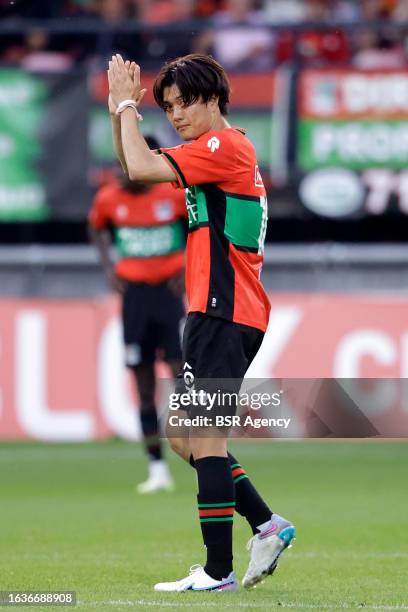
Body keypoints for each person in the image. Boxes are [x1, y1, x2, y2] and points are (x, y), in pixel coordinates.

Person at [107, 52, 295, 592]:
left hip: (225, 309)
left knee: (205, 438)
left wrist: (125, 104)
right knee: (183, 437)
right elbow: (134, 166)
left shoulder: (224, 145)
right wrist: (123, 114)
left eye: (185, 102)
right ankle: (267, 524)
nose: (177, 114)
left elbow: (140, 168)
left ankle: (218, 571)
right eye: (167, 107)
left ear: (214, 97)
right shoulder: (211, 151)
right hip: (214, 310)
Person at [88, 136, 187, 493]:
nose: (122, 170)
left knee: (181, 373)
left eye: (129, 160)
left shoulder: (173, 193)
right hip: (134, 298)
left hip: (169, 294)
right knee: (143, 386)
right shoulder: (109, 198)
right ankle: (157, 467)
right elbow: (96, 226)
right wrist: (108, 268)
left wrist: (188, 265)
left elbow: (201, 227)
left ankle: (200, 453)